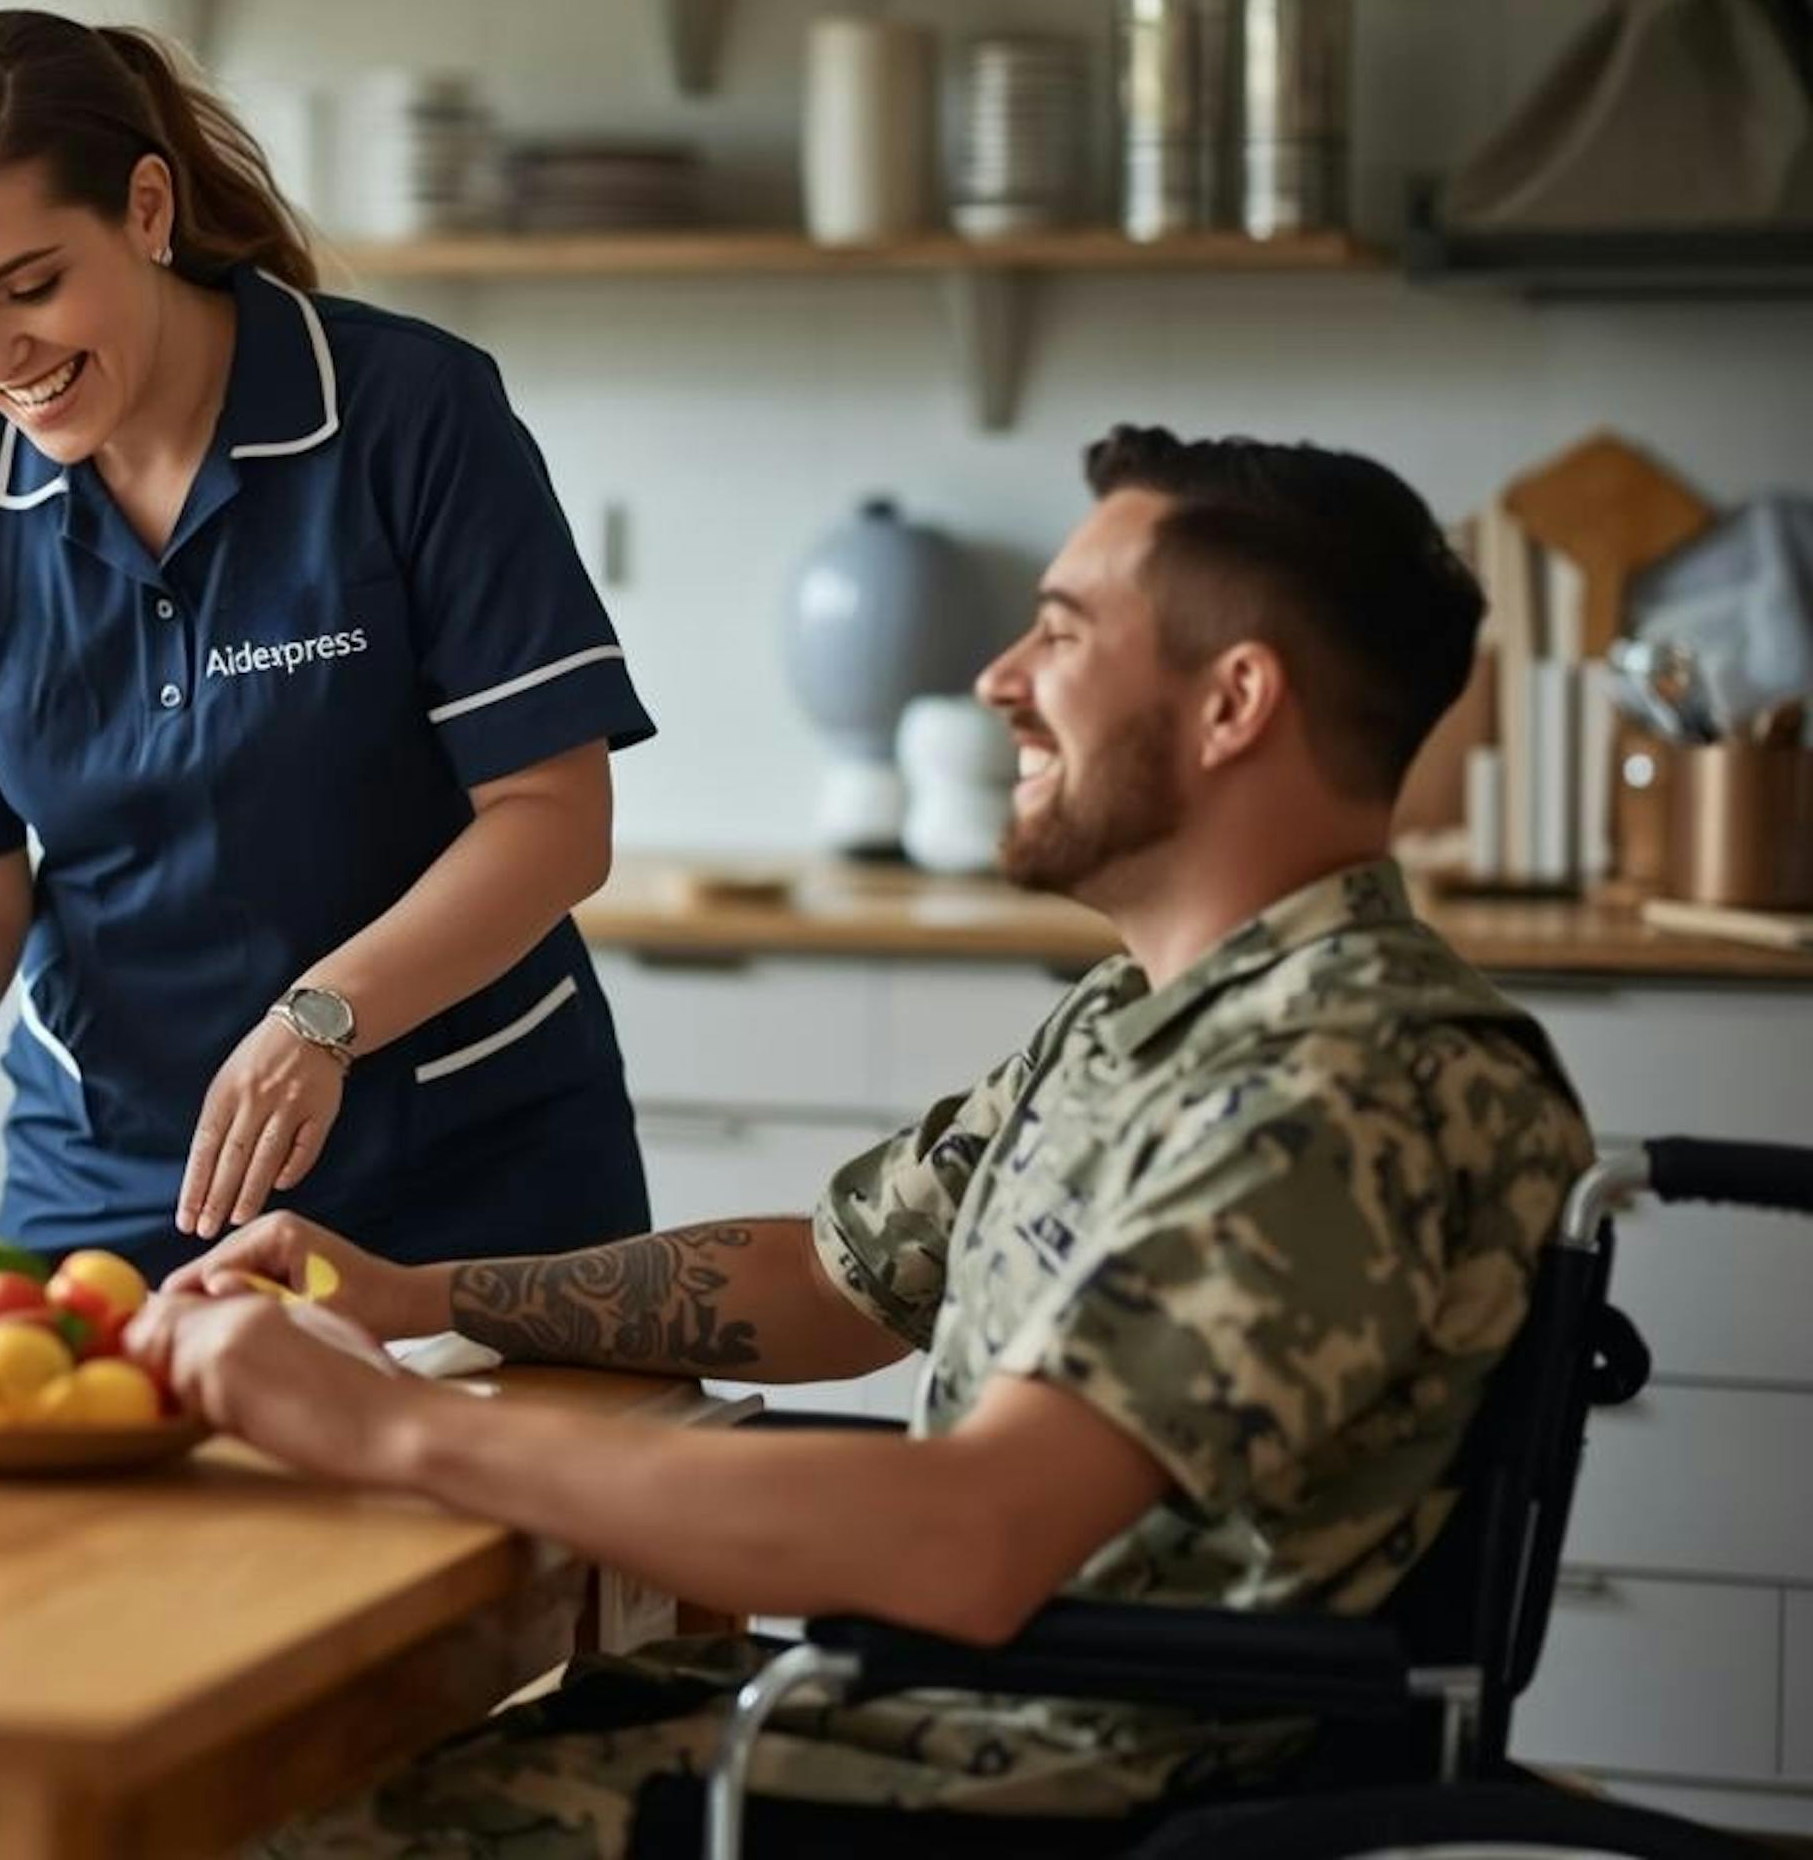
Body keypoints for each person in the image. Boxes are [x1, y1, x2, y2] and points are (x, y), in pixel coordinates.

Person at [134, 427, 1595, 1855]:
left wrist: (398, 1432)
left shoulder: (1334, 1083)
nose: (997, 681)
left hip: (1056, 1785)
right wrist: (416, 1297)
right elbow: (834, 1283)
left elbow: (971, 1534)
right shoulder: (1149, 1019)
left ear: (1234, 703)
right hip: (923, 1722)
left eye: (1062, 634)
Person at [0, 8, 657, 1279]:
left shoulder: (407, 413)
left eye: (31, 286)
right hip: (116, 1186)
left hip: (468, 1176)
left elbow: (551, 813)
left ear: (148, 209)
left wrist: (321, 1022)